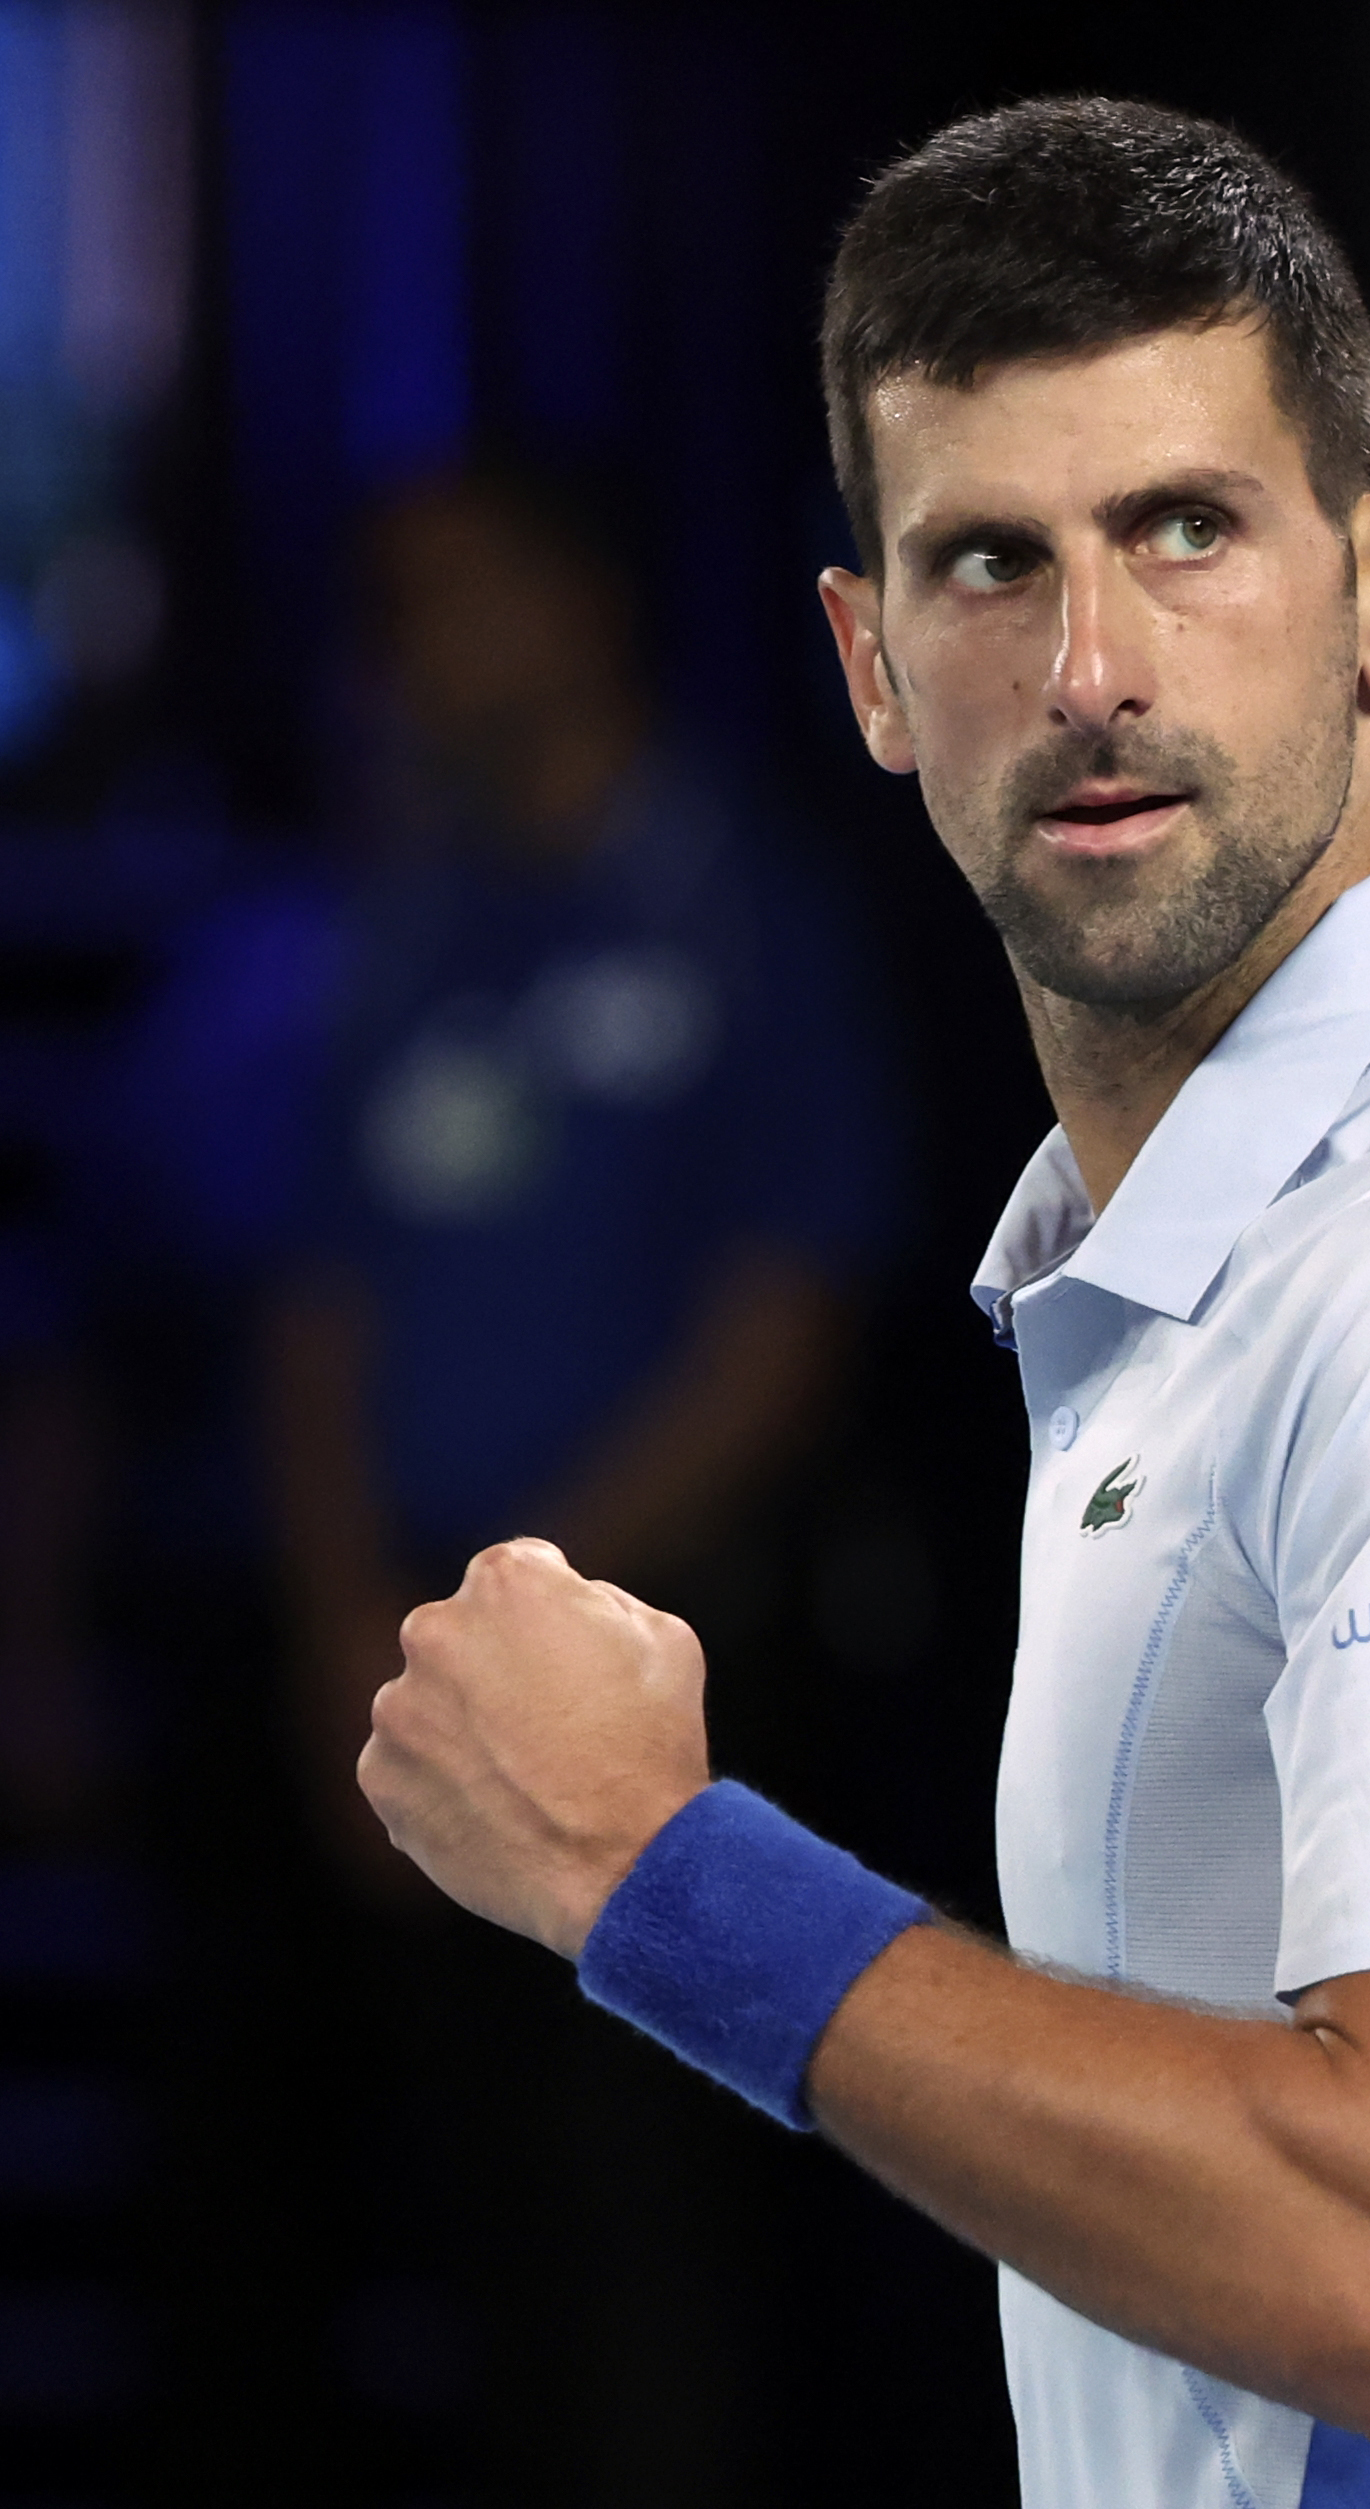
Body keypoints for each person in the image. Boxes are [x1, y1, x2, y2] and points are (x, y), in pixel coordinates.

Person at [352, 98, 1370, 2506]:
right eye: (991, 564)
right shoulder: (1262, 1277)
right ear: (873, 666)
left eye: (1188, 530)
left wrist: (656, 1875)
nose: (1094, 663)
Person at [267, 458, 899, 2498]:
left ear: (579, 605)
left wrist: (524, 1617)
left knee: (675, 2256)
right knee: (473, 2260)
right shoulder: (411, 927)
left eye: (458, 597)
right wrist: (351, 1637)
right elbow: (321, 1305)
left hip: (682, 1696)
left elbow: (783, 1333)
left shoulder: (742, 906)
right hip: (424, 1689)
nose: (416, 654)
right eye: (396, 610)